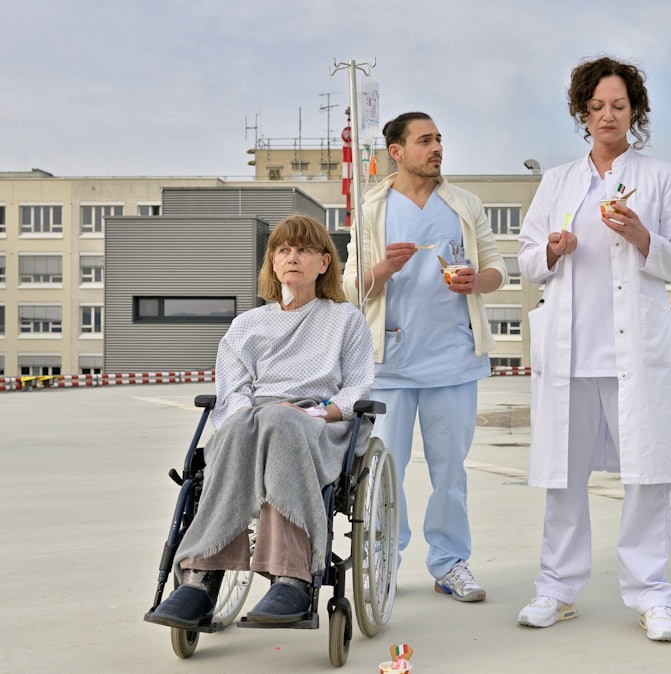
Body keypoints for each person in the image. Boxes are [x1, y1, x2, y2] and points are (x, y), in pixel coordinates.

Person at [516, 56, 671, 641]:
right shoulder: (557, 181)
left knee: (646, 478)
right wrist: (552, 248)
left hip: (633, 354)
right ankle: (557, 588)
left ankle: (651, 595)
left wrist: (642, 235)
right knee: (564, 479)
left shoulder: (659, 176)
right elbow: (526, 258)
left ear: (634, 110)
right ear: (582, 113)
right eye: (596, 107)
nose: (607, 116)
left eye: (619, 105)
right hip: (570, 352)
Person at [148, 215, 374, 629]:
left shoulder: (346, 319)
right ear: (272, 261)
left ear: (324, 262)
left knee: (280, 422)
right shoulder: (247, 325)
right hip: (254, 421)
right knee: (240, 426)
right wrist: (246, 418)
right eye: (283, 250)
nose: (292, 257)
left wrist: (313, 413)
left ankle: (293, 575)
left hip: (318, 421)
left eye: (303, 250)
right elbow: (232, 391)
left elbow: (357, 386)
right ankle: (201, 576)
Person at [342, 112, 507, 602]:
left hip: (453, 360)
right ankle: (383, 563)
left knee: (450, 471)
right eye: (424, 140)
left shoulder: (464, 205)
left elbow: (497, 268)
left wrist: (476, 282)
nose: (436, 148)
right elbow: (350, 288)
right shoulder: (371, 208)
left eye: (439, 139)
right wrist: (384, 268)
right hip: (389, 364)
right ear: (396, 151)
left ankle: (450, 562)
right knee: (382, 472)